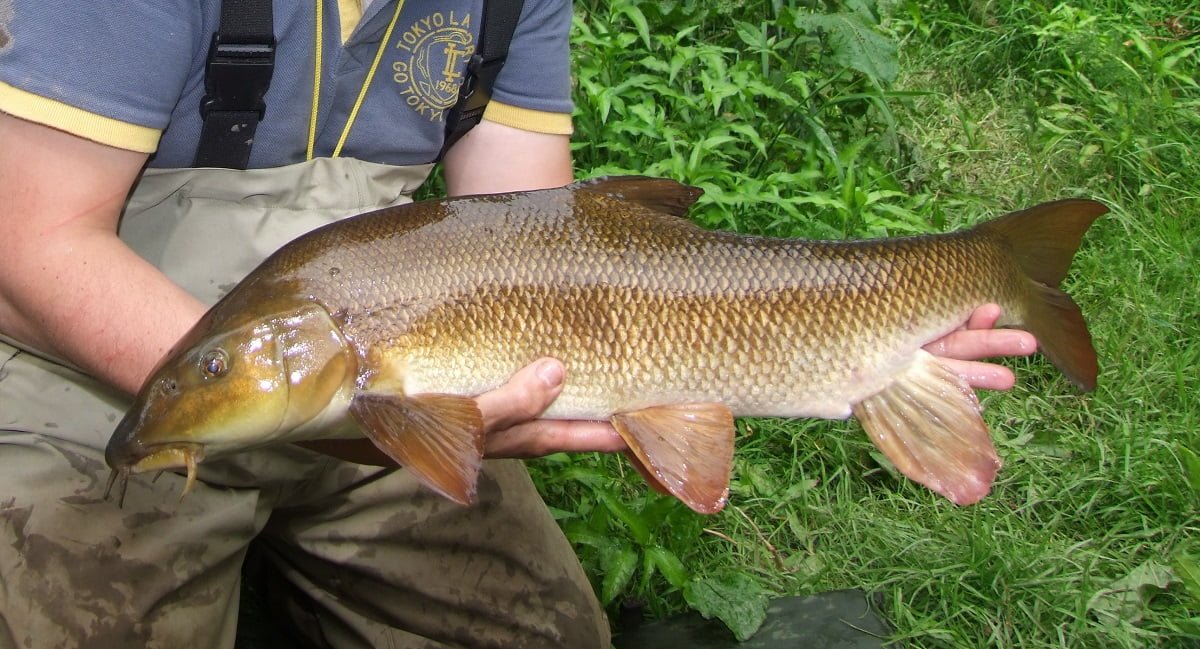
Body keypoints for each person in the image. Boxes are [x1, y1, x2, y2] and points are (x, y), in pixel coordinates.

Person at [0, 1, 1037, 647]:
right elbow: (35, 242)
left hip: (393, 383)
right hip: (110, 388)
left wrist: (856, 336)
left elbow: (543, 238)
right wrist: (325, 414)